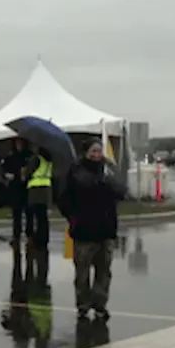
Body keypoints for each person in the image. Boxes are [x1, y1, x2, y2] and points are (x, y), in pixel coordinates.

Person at [59, 137, 125, 322]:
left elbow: (121, 191)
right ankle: (82, 305)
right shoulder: (76, 171)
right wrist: (73, 218)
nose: (96, 155)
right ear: (86, 153)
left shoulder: (108, 169)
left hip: (106, 229)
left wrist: (109, 181)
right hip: (84, 230)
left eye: (99, 151)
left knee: (104, 271)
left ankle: (100, 305)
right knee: (82, 272)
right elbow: (64, 198)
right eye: (93, 151)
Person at [25, 145, 54, 279]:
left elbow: (28, 173)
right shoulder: (48, 160)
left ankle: (37, 238)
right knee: (43, 218)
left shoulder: (35, 159)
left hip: (35, 190)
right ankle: (44, 238)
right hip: (46, 189)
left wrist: (25, 171)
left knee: (36, 216)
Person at [2, 138, 35, 248]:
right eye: (17, 143)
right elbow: (4, 169)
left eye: (21, 143)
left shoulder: (30, 156)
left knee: (29, 212)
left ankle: (30, 235)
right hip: (15, 188)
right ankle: (16, 235)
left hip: (27, 187)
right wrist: (7, 175)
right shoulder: (11, 156)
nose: (19, 145)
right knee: (16, 213)